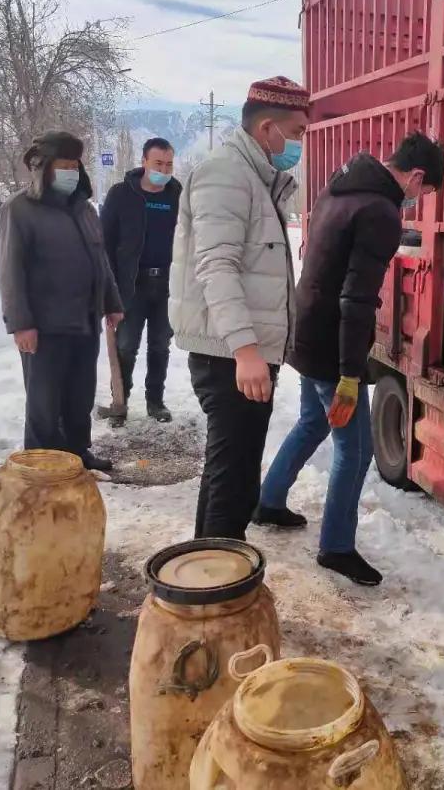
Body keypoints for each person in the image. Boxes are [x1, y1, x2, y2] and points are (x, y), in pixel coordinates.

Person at [256, 132, 444, 585]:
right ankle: (337, 547)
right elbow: (357, 300)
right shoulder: (380, 212)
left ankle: (269, 500)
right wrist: (349, 374)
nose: (418, 200)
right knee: (355, 450)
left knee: (311, 422)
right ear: (416, 176)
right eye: (425, 191)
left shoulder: (341, 185)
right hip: (330, 344)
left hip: (306, 327)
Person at [169, 76, 309, 540]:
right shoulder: (226, 173)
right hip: (229, 355)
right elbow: (216, 266)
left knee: (231, 474)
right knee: (233, 482)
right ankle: (217, 592)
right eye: (298, 132)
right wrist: (246, 350)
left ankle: (206, 571)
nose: (299, 144)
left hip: (240, 353)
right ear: (268, 128)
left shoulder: (254, 176)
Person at [0, 130, 124, 471]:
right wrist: (21, 324)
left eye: (74, 165)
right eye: (62, 165)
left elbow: (101, 261)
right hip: (44, 328)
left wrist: (111, 302)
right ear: (44, 168)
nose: (70, 171)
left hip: (84, 321)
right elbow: (11, 272)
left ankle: (77, 454)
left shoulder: (85, 210)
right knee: (43, 403)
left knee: (79, 396)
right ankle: (42, 466)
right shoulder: (19, 210)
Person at [98, 137, 182, 425]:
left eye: (169, 163)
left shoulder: (177, 194)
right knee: (125, 346)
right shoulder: (122, 194)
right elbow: (104, 243)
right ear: (144, 161)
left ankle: (155, 401)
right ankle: (120, 402)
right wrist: (107, 291)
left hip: (167, 285)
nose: (164, 169)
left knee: (160, 345)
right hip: (129, 286)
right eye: (158, 163)